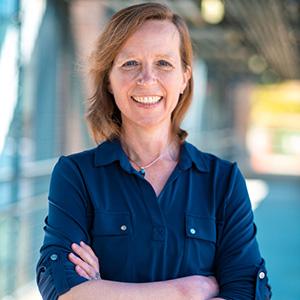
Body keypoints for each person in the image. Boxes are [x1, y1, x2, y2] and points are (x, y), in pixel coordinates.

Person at [36, 2, 271, 300]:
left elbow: (248, 292)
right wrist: (187, 290)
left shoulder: (222, 181)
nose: (147, 79)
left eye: (163, 63)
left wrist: (101, 290)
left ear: (185, 78)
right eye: (130, 63)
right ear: (109, 78)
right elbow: (62, 290)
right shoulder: (77, 175)